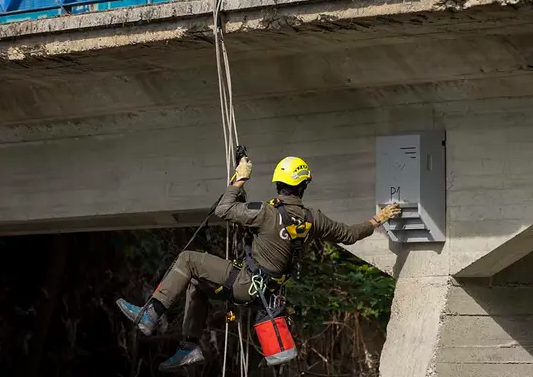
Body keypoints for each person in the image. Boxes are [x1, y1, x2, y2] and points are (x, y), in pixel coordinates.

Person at [115, 156, 401, 372]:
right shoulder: (314, 219)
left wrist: (239, 179)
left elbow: (223, 209)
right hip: (266, 294)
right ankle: (189, 346)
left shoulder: (266, 213)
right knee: (196, 285)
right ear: (303, 186)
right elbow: (350, 235)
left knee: (189, 260)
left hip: (245, 284)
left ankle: (151, 314)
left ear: (278, 184)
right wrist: (379, 219)